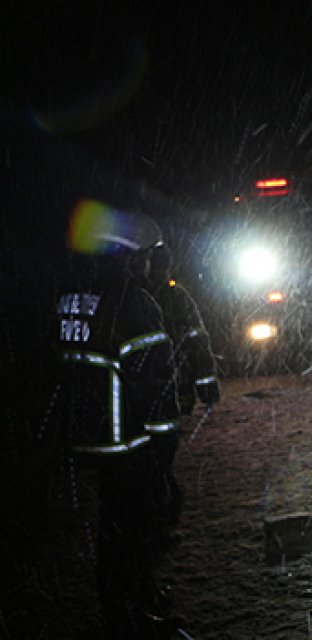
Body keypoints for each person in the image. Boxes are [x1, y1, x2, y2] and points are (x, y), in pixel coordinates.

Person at [53, 205, 182, 638]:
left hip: (89, 436)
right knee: (131, 530)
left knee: (114, 527)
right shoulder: (135, 304)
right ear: (129, 257)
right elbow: (156, 385)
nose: (150, 265)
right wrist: (164, 446)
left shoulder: (73, 294)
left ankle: (136, 599)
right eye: (145, 256)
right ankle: (127, 616)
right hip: (127, 442)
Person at [146, 241, 221, 527]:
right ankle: (163, 515)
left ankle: (161, 517)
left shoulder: (153, 298)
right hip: (168, 390)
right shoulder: (172, 299)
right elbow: (198, 342)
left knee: (156, 459)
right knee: (159, 459)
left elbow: (197, 341)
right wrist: (206, 387)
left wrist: (206, 385)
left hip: (159, 392)